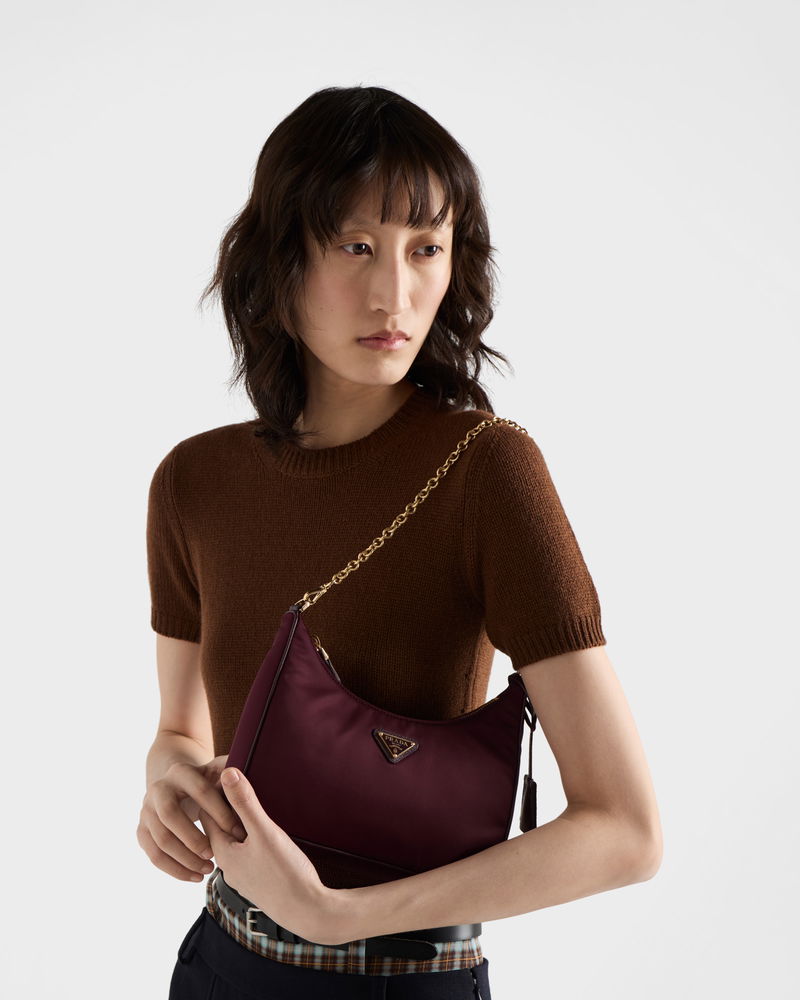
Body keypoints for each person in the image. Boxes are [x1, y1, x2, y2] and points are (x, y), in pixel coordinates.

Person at [137, 85, 663, 999]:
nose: (394, 294)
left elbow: (626, 831)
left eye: (425, 248)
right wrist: (167, 780)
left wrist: (339, 915)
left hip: (402, 980)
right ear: (277, 261)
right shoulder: (194, 482)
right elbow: (182, 730)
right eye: (355, 247)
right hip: (218, 965)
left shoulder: (487, 472)